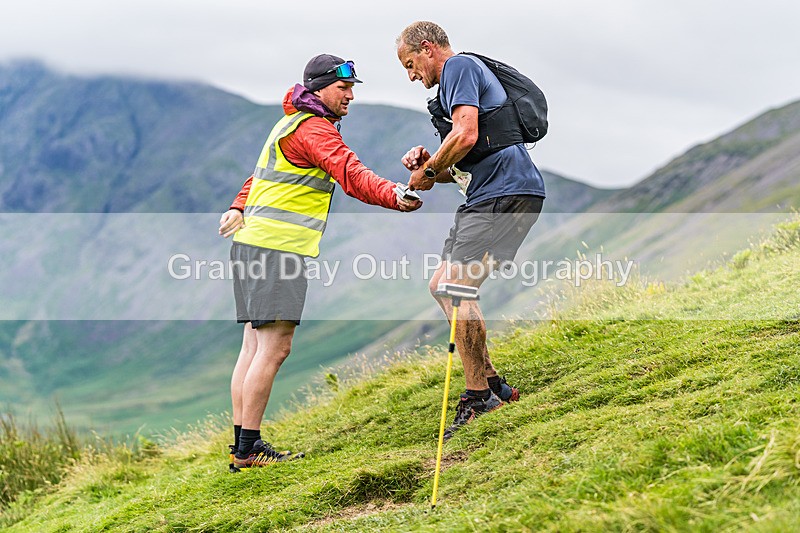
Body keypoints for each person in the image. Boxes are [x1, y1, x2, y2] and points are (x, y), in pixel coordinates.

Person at [218, 54, 422, 470]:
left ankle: (241, 444)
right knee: (275, 347)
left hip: (251, 244)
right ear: (319, 89)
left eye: (352, 88)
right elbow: (350, 172)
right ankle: (249, 449)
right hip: (278, 250)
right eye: (343, 88)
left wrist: (239, 205)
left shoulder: (289, 122)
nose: (350, 95)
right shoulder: (315, 130)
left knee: (253, 347)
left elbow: (259, 177)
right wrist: (396, 197)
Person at [395, 21, 546, 440]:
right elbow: (464, 156)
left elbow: (466, 133)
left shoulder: (459, 66)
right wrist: (429, 163)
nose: (411, 76)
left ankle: (478, 397)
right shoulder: (449, 92)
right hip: (494, 193)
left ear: (427, 49)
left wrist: (428, 170)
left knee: (455, 287)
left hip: (502, 192)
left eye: (410, 64)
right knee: (444, 286)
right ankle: (491, 383)